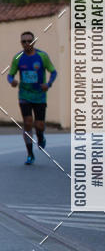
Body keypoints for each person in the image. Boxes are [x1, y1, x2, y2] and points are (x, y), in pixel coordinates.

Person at [7, 30, 57, 165]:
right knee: (28, 123)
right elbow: (10, 74)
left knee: (39, 125)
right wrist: (11, 81)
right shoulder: (18, 58)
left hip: (40, 96)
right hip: (24, 95)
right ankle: (30, 154)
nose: (27, 43)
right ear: (21, 43)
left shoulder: (42, 56)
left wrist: (48, 84)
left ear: (34, 42)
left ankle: (40, 137)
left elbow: (53, 72)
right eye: (24, 41)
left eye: (29, 41)